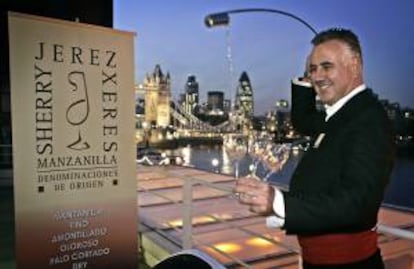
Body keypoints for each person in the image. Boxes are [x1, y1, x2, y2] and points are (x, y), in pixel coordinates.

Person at [235, 28, 395, 268]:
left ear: (354, 65)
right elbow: (302, 120)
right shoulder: (342, 114)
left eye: (327, 66)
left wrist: (278, 203)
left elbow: (358, 203)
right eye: (313, 69)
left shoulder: (368, 119)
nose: (318, 76)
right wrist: (305, 78)